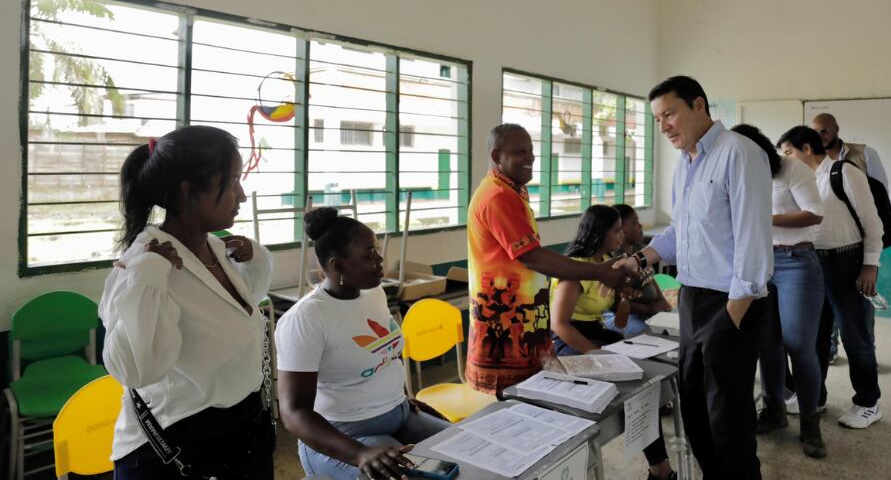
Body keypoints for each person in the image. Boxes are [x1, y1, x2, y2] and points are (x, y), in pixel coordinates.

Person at [100, 126, 276, 480]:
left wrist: (254, 259)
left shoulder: (214, 248)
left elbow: (240, 314)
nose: (241, 196)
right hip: (176, 450)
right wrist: (147, 275)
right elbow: (135, 370)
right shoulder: (143, 265)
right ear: (189, 190)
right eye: (232, 182)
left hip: (240, 436)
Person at [632, 76, 773, 479]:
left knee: (728, 416)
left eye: (670, 114)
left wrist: (733, 314)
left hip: (732, 301)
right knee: (694, 405)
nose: (664, 127)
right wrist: (641, 258)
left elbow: (752, 238)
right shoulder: (687, 162)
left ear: (699, 105)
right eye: (658, 119)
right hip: (693, 299)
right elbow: (681, 229)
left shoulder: (739, 153)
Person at [276, 208, 451, 480]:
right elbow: (294, 413)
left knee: (466, 449)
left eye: (377, 250)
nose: (380, 260)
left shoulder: (374, 293)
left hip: (400, 414)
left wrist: (400, 396)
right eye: (369, 255)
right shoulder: (306, 319)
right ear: (337, 266)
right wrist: (360, 453)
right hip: (345, 436)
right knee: (414, 477)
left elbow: (387, 353)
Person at [465, 124, 637, 396]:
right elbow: (532, 257)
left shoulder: (511, 193)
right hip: (505, 333)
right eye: (520, 152)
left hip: (525, 330)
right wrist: (599, 272)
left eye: (531, 150)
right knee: (515, 406)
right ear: (497, 156)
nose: (531, 157)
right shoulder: (498, 196)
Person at [550, 204, 676, 480]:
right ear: (600, 233)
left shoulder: (608, 263)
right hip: (568, 340)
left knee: (642, 385)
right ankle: (659, 468)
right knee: (624, 381)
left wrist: (625, 300)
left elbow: (619, 322)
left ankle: (660, 468)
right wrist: (597, 353)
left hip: (597, 332)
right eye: (617, 230)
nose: (622, 235)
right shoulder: (577, 268)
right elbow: (559, 324)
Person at [777, 126, 884, 430]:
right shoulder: (800, 180)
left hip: (848, 262)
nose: (786, 159)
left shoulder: (843, 173)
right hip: (812, 263)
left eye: (788, 152)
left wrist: (870, 265)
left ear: (806, 149)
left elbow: (873, 223)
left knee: (855, 337)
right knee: (816, 337)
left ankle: (868, 402)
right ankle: (815, 397)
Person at [732, 124, 827, 458]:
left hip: (795, 262)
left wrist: (765, 218)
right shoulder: (741, 173)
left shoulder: (792, 168)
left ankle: (811, 423)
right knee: (766, 343)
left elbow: (814, 213)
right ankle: (774, 411)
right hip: (758, 263)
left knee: (799, 344)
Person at [811, 112, 890, 364]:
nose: (821, 135)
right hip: (827, 250)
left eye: (825, 130)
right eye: (816, 132)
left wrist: (871, 261)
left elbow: (880, 196)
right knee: (825, 316)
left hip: (860, 245)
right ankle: (831, 349)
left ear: (836, 129)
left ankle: (867, 353)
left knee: (858, 316)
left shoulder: (864, 155)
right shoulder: (814, 165)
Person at [602, 204, 672, 338]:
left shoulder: (638, 251)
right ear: (621, 229)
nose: (640, 226)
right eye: (634, 223)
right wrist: (649, 309)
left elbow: (650, 279)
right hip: (620, 315)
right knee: (651, 333)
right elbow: (616, 302)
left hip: (646, 311)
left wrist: (662, 301)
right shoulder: (615, 258)